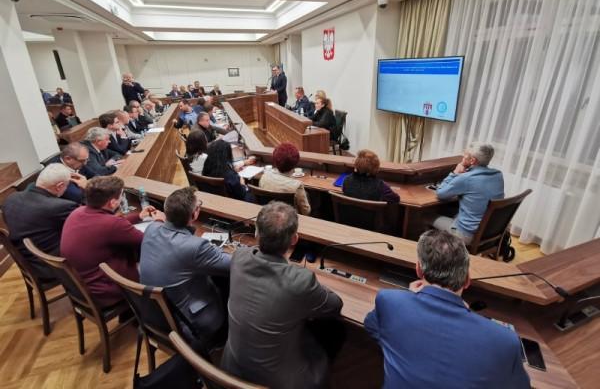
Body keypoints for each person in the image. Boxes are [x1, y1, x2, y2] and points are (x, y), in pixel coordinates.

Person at [365, 229, 529, 389]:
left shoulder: (390, 301)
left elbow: (371, 325)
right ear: (467, 280)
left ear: (419, 270)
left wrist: (409, 300)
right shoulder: (505, 341)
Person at [221, 202, 344, 389]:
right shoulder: (301, 281)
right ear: (294, 239)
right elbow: (335, 305)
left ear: (256, 233)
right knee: (336, 329)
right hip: (278, 383)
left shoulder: (239, 257)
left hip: (232, 365)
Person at [140, 187, 231, 342]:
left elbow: (160, 224)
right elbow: (233, 264)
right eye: (199, 205)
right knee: (228, 283)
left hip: (155, 317)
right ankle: (219, 341)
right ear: (194, 214)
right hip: (187, 324)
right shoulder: (196, 247)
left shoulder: (151, 228)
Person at [61, 176, 165, 307]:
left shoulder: (78, 212)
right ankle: (155, 310)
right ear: (113, 203)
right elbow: (150, 241)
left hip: (84, 285)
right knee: (160, 266)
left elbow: (112, 224)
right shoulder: (111, 224)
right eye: (122, 195)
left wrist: (139, 216)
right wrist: (159, 221)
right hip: (108, 289)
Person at [2, 164, 79, 280]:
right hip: (53, 265)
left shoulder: (11, 199)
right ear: (59, 186)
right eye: (67, 186)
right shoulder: (59, 206)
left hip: (29, 261)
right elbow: (88, 224)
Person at [434, 143, 504, 243]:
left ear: (472, 160)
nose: (462, 157)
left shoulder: (466, 178)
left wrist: (454, 173)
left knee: (424, 216)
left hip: (464, 234)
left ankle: (439, 248)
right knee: (448, 210)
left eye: (465, 155)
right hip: (489, 231)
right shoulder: (498, 175)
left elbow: (440, 193)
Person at [259, 143, 311, 215]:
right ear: (295, 163)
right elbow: (306, 211)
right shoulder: (297, 186)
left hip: (269, 215)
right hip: (290, 219)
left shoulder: (264, 177)